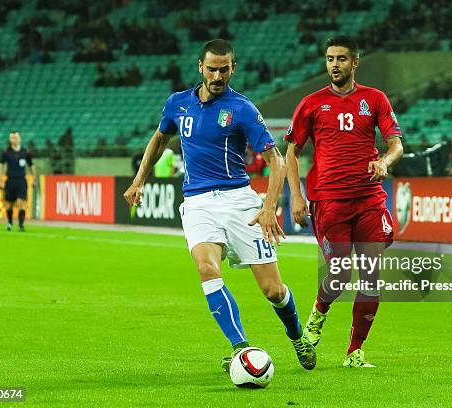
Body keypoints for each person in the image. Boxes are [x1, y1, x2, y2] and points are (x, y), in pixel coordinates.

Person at [123, 39, 316, 373]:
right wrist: (140, 179)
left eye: (224, 69)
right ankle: (241, 348)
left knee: (273, 290)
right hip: (197, 202)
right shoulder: (177, 104)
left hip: (240, 202)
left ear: (233, 69)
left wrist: (269, 207)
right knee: (206, 268)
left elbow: (276, 160)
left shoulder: (242, 108)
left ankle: (297, 335)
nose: (217, 75)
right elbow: (159, 138)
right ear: (200, 67)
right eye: (211, 69)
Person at [285, 36, 404, 368]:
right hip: (330, 201)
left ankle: (355, 351)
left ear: (355, 62)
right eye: (329, 58)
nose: (334, 64)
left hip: (368, 199)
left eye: (340, 59)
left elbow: (396, 144)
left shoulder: (374, 99)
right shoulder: (311, 103)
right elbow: (292, 150)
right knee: (339, 275)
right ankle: (317, 317)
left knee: (370, 275)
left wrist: (385, 163)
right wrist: (296, 195)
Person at [0, 131, 37, 231]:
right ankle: (10, 223)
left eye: (16, 137)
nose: (14, 139)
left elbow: (31, 165)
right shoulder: (6, 152)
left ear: (20, 139)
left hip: (21, 181)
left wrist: (35, 178)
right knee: (8, 204)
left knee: (21, 203)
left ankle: (21, 225)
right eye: (12, 137)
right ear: (10, 140)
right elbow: (0, 165)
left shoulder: (25, 152)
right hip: (10, 180)